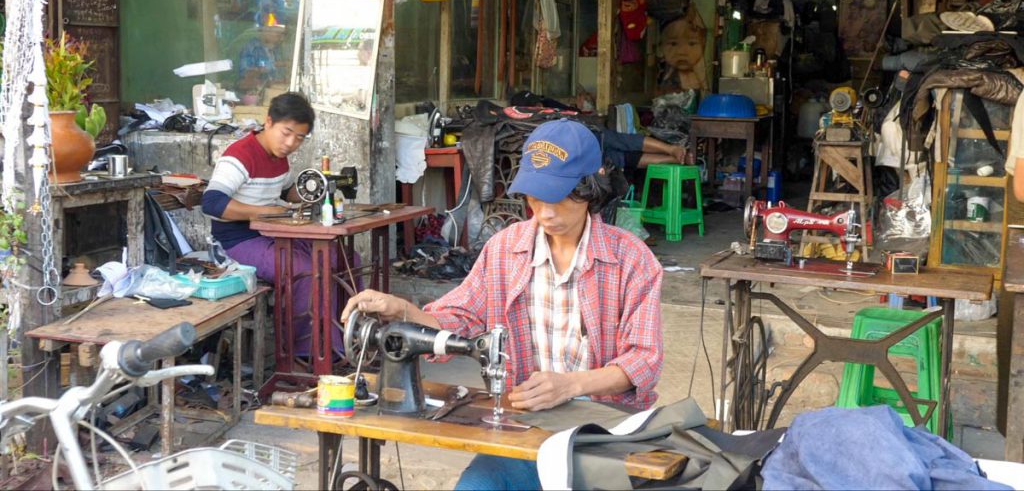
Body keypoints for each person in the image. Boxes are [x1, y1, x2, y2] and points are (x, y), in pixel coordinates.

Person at [341, 119, 664, 490]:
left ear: (591, 188)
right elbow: (458, 319)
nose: (545, 213)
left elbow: (644, 360)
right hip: (527, 424)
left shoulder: (631, 259)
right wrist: (402, 311)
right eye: (535, 197)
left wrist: (570, 385)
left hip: (604, 431)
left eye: (558, 197)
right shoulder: (505, 249)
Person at [202, 92, 342, 357]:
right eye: (286, 133)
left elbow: (285, 191)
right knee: (303, 270)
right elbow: (211, 202)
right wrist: (264, 212)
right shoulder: (240, 156)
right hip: (235, 242)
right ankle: (304, 355)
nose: (290, 143)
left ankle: (340, 341)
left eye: (299, 138)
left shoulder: (279, 158)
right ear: (268, 122)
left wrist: (314, 187)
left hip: (271, 234)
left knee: (342, 258)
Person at [600, 127, 695, 171]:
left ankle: (672, 150)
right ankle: (675, 159)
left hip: (595, 138)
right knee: (621, 159)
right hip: (595, 159)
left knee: (617, 140)